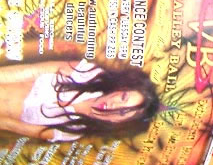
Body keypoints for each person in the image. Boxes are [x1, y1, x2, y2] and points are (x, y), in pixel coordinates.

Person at [0, 59, 160, 141]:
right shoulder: (88, 74)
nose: (114, 105)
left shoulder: (73, 131)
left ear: (120, 121)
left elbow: (10, 125)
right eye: (123, 97)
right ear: (121, 88)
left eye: (124, 112)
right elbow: (30, 70)